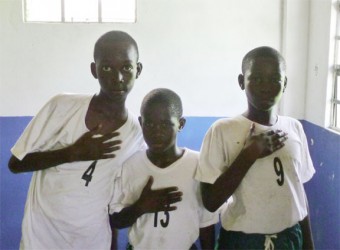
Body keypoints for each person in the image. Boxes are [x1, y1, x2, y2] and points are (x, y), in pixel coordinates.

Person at [8, 31, 181, 250]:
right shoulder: (61, 106)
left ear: (138, 70)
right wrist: (71, 153)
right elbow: (15, 163)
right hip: (42, 238)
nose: (117, 78)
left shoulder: (136, 135)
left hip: (92, 241)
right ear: (94, 70)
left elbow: (114, 204)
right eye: (107, 68)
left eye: (126, 67)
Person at [195, 46, 315, 250]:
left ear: (284, 83)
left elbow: (298, 194)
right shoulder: (222, 130)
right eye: (257, 79)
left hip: (289, 238)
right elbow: (210, 202)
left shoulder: (294, 128)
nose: (265, 87)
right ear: (242, 82)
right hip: (242, 241)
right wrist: (249, 154)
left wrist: (308, 244)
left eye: (274, 79)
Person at [110, 88, 218, 250]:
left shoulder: (198, 164)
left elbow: (206, 224)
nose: (156, 132)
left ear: (180, 124)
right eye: (150, 124)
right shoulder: (130, 166)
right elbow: (115, 221)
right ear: (141, 123)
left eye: (165, 124)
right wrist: (141, 206)